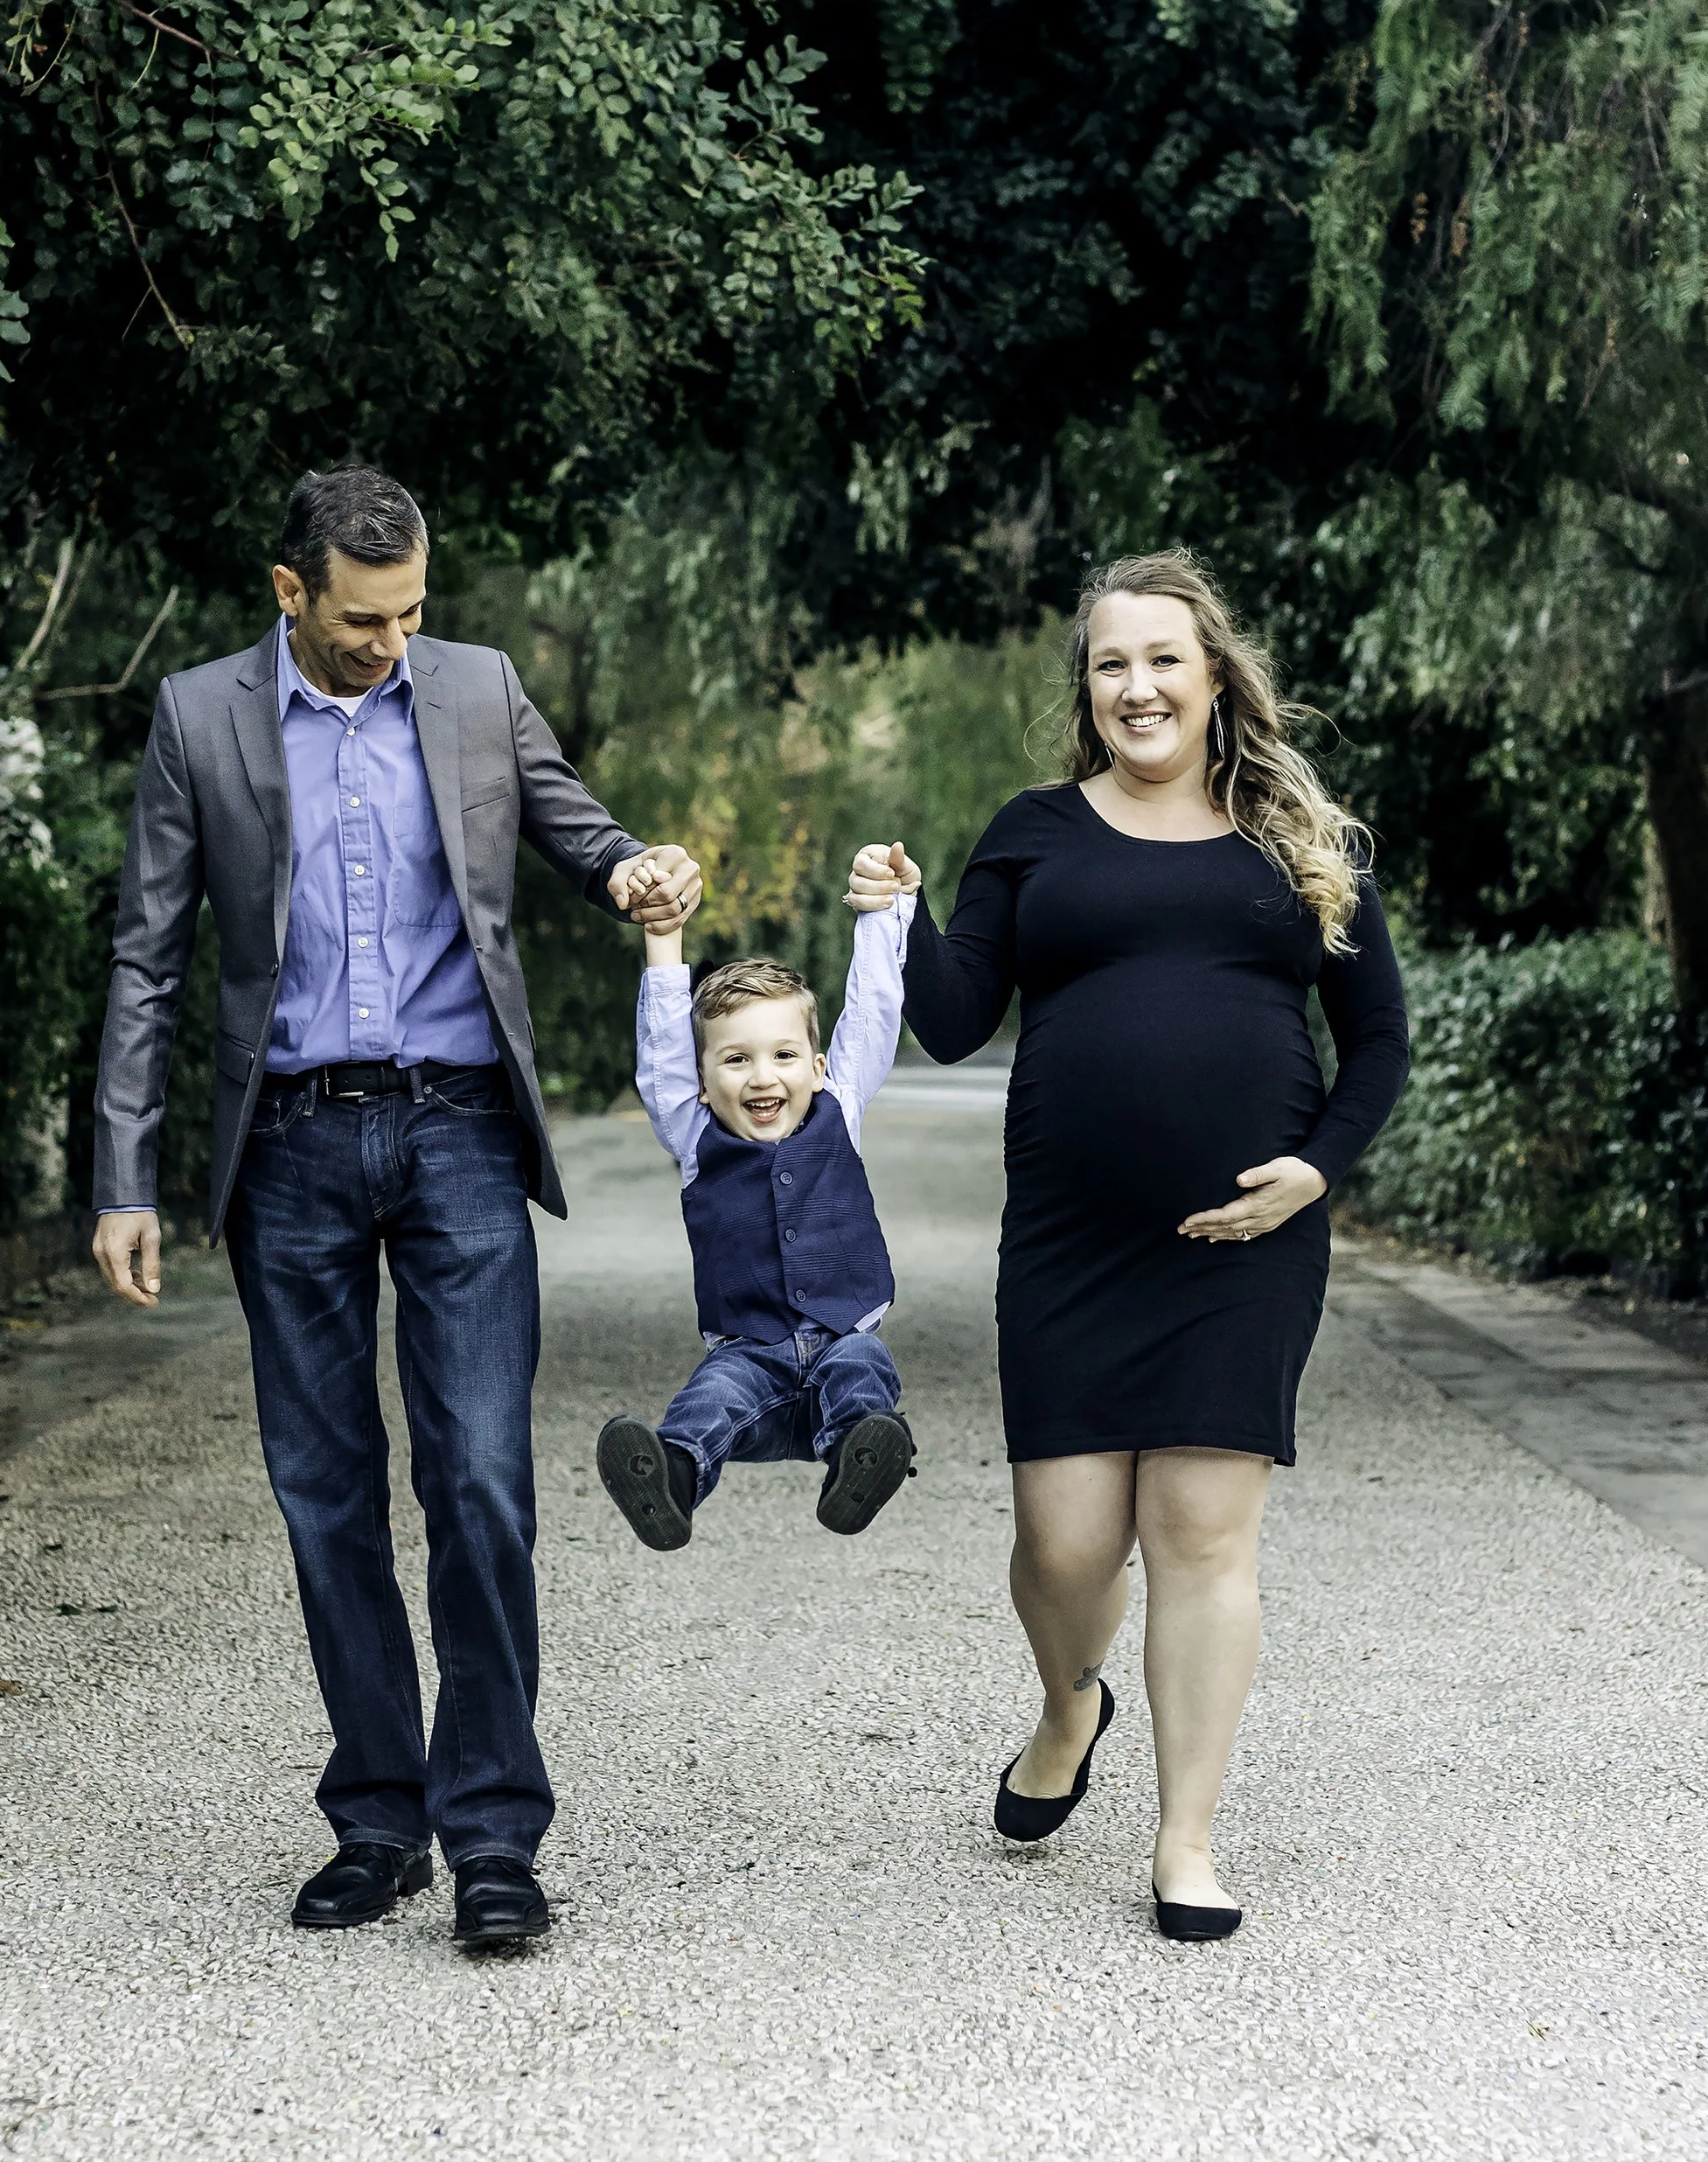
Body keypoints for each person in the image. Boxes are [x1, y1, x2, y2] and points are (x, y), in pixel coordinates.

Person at [89, 464, 701, 1953]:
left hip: (459, 1137)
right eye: (365, 619)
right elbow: (148, 959)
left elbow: (580, 829)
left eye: (414, 609)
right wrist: (124, 1175)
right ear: (290, 593)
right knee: (325, 1500)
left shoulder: (478, 689)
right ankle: (377, 1819)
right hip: (287, 1146)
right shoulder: (201, 719)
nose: (393, 641)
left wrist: (635, 872)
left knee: (482, 1483)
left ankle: (493, 1832)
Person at [902, 549, 1408, 1940]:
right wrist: (899, 918)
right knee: (1064, 1545)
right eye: (1112, 661)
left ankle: (1185, 1839)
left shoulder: (1297, 837)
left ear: (1213, 673)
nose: (1137, 684)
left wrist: (1316, 1170)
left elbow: (1378, 1041)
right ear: (1090, 684)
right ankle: (1073, 1701)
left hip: (1245, 1237)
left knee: (1199, 1530)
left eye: (1163, 658)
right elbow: (952, 1019)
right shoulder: (1034, 829)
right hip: (1073, 1236)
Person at [595, 847, 923, 1552]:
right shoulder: (693, 1133)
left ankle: (857, 1465)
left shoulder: (841, 1105)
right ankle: (672, 1480)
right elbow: (660, 1051)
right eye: (735, 1059)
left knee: (865, 1370)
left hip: (844, 1340)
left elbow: (871, 1010)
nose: (761, 1075)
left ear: (818, 1064)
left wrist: (883, 913)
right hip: (751, 1355)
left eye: (781, 1054)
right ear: (703, 1079)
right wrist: (662, 938)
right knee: (708, 1400)